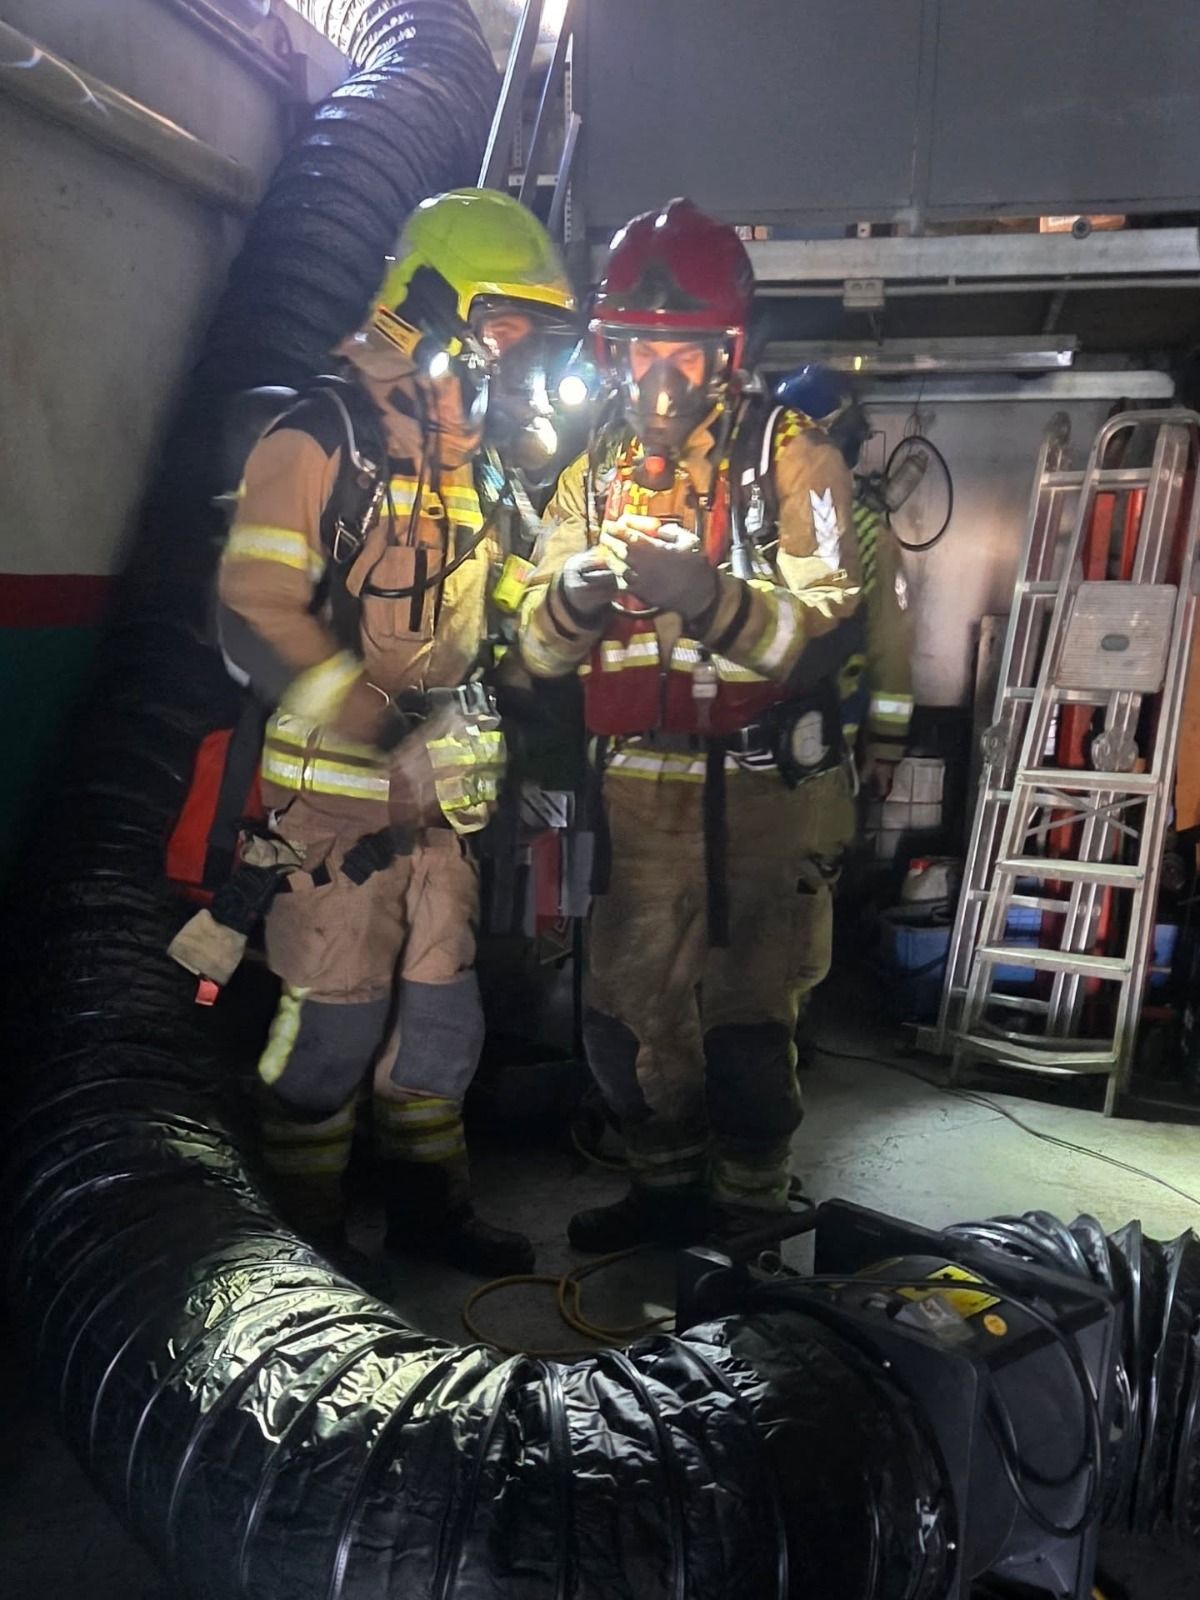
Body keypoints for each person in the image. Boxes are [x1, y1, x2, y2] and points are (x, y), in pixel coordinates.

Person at [217, 188, 577, 1275]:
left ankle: (431, 1212)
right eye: (507, 323)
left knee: (440, 1035)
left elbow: (509, 622)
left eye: (530, 334)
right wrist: (377, 720)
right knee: (324, 1044)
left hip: (443, 824)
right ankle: (305, 1249)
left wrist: (574, 607)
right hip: (333, 822)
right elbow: (254, 609)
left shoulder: (482, 462)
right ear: (435, 301)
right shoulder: (322, 433)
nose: (516, 354)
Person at [517, 198, 863, 1250]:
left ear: (728, 354)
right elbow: (536, 649)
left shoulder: (794, 464)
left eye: (682, 357)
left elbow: (812, 633)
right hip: (633, 787)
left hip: (760, 794)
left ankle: (749, 1207)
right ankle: (660, 1188)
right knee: (624, 1015)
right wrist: (574, 592)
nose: (657, 385)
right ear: (610, 351)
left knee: (750, 1019)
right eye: (636, 353)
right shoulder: (590, 474)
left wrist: (706, 595)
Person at [774, 365, 914, 801]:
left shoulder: (740, 520)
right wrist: (887, 747)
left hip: (739, 745)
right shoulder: (870, 531)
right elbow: (890, 642)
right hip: (827, 741)